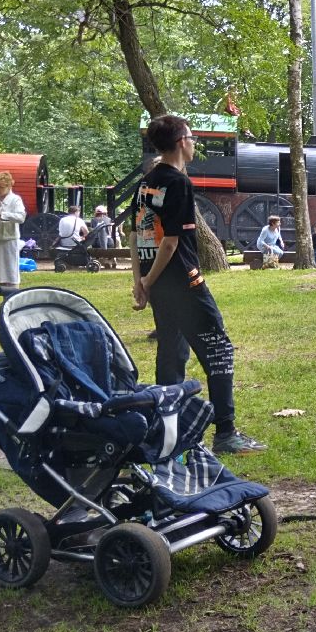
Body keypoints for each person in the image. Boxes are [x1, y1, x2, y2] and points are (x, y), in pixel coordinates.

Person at [132, 114, 264, 455]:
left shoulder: (146, 183)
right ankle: (226, 433)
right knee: (219, 349)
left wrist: (141, 281)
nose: (194, 144)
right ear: (181, 142)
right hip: (184, 283)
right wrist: (147, 279)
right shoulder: (178, 183)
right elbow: (170, 242)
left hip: (159, 285)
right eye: (192, 138)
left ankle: (168, 431)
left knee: (171, 353)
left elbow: (136, 234)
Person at [0, 171, 27, 293]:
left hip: (9, 238)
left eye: (1, 187)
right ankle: (4, 295)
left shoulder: (15, 199)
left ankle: (13, 295)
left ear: (9, 185)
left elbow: (21, 217)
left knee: (10, 269)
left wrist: (3, 215)